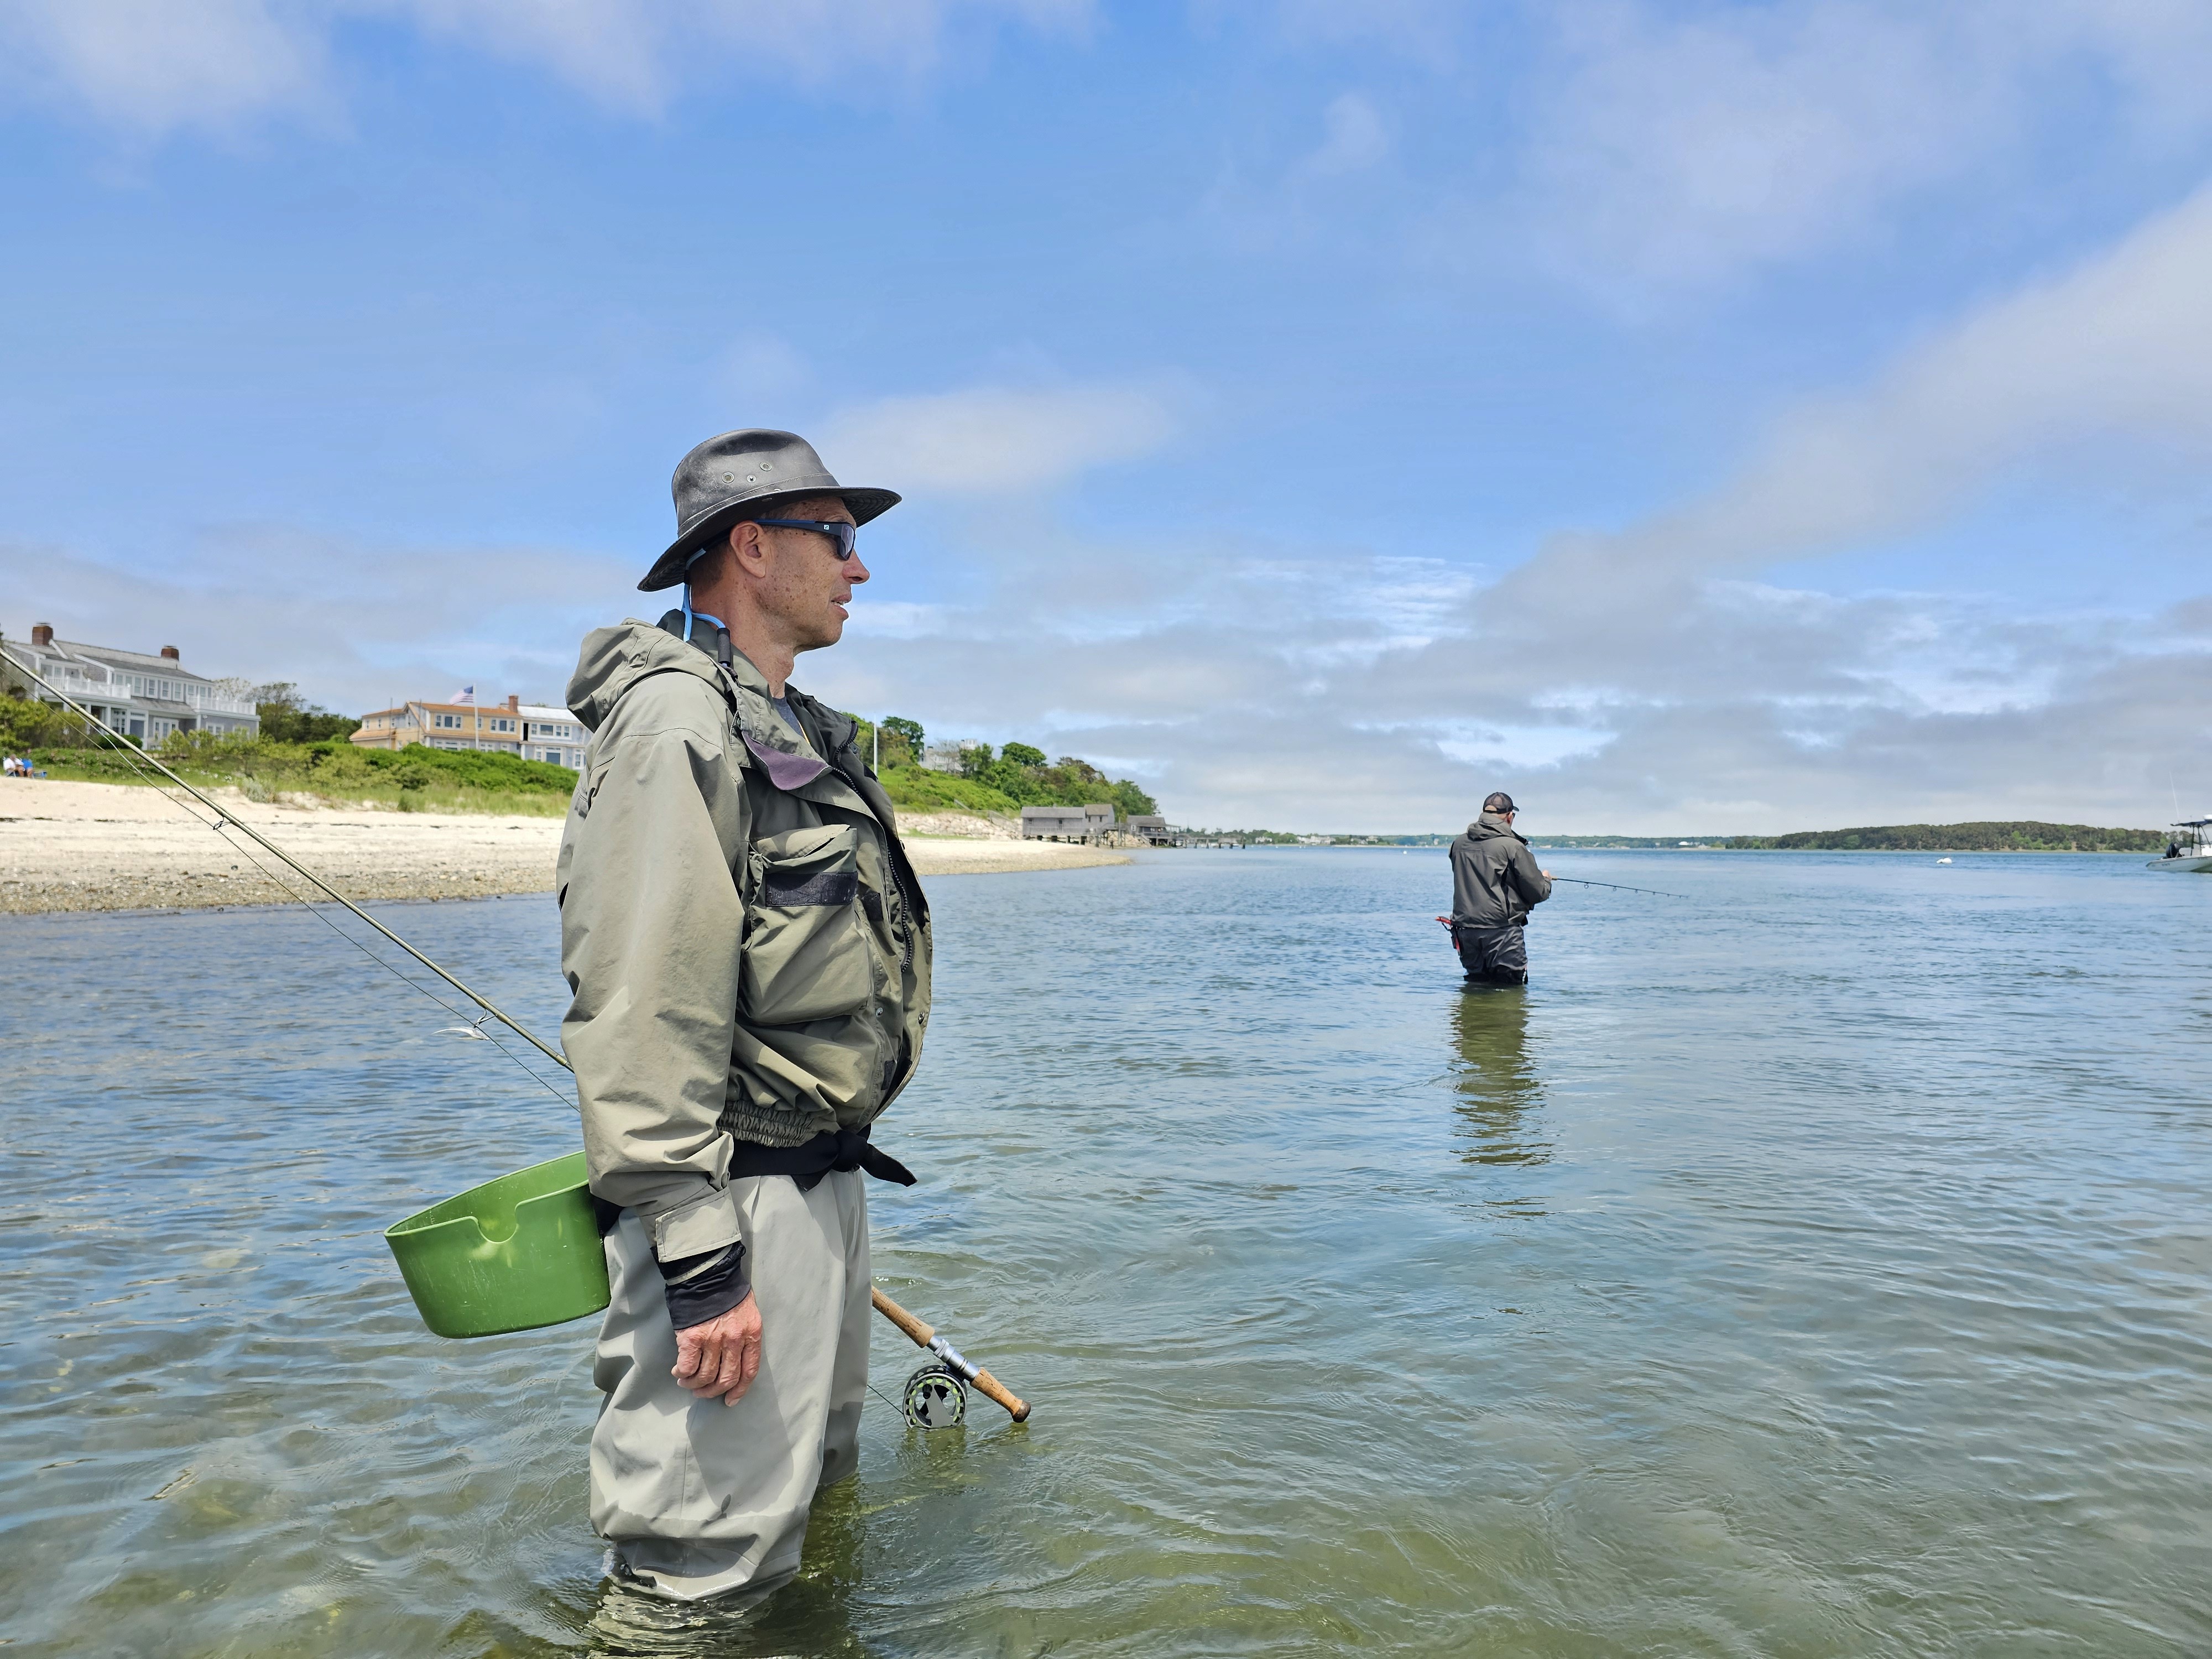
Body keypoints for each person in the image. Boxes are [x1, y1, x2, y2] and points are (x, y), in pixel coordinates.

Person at [556, 429, 933, 1606]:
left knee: (809, 1515)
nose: (859, 567)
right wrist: (698, 1251)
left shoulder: (786, 721)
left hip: (820, 1183)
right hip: (736, 1197)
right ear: (754, 548)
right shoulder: (678, 723)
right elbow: (641, 995)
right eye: (839, 537)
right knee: (698, 1563)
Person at [1447, 791, 1552, 985]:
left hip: (1465, 931)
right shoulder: (1513, 847)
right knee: (1511, 991)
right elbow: (1537, 892)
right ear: (1510, 817)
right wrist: (1545, 880)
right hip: (1502, 933)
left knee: (1476, 989)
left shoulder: (1459, 843)